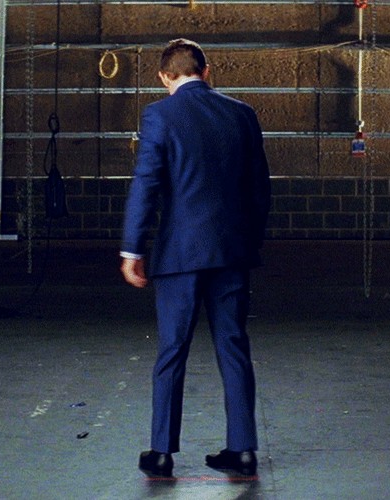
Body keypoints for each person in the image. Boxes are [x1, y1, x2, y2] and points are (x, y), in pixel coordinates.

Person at [120, 39, 271, 478]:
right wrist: (248, 243)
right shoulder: (242, 114)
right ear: (207, 71)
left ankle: (162, 454)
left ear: (164, 77)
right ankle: (243, 450)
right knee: (234, 347)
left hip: (180, 256)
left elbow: (146, 185)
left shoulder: (159, 115)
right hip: (231, 253)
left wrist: (132, 250)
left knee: (172, 351)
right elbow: (260, 189)